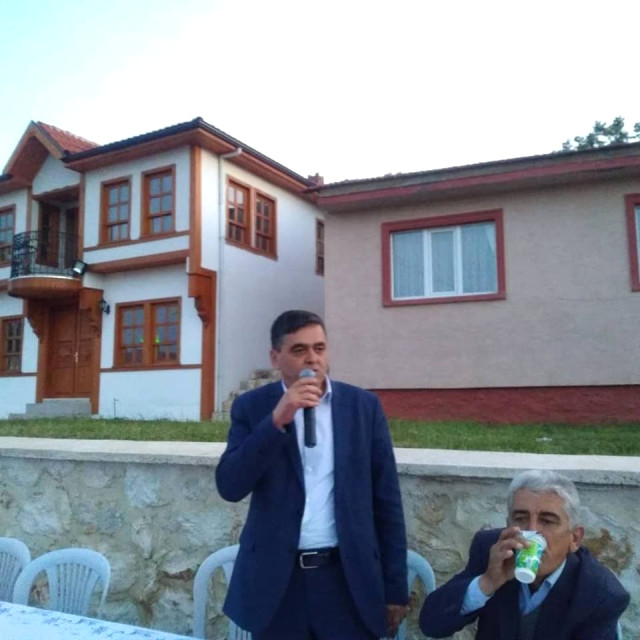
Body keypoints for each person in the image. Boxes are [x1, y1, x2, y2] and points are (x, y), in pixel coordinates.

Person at [216, 310, 409, 640]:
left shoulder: (363, 407)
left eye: (319, 348)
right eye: (299, 350)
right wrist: (276, 421)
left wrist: (395, 588)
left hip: (346, 580)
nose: (312, 359)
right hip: (278, 584)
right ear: (275, 357)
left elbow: (387, 500)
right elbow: (230, 485)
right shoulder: (252, 407)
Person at [419, 469, 629, 639]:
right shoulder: (492, 551)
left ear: (574, 538)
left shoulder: (600, 592)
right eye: (521, 518)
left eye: (547, 521)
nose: (532, 532)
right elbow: (431, 625)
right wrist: (487, 583)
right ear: (508, 525)